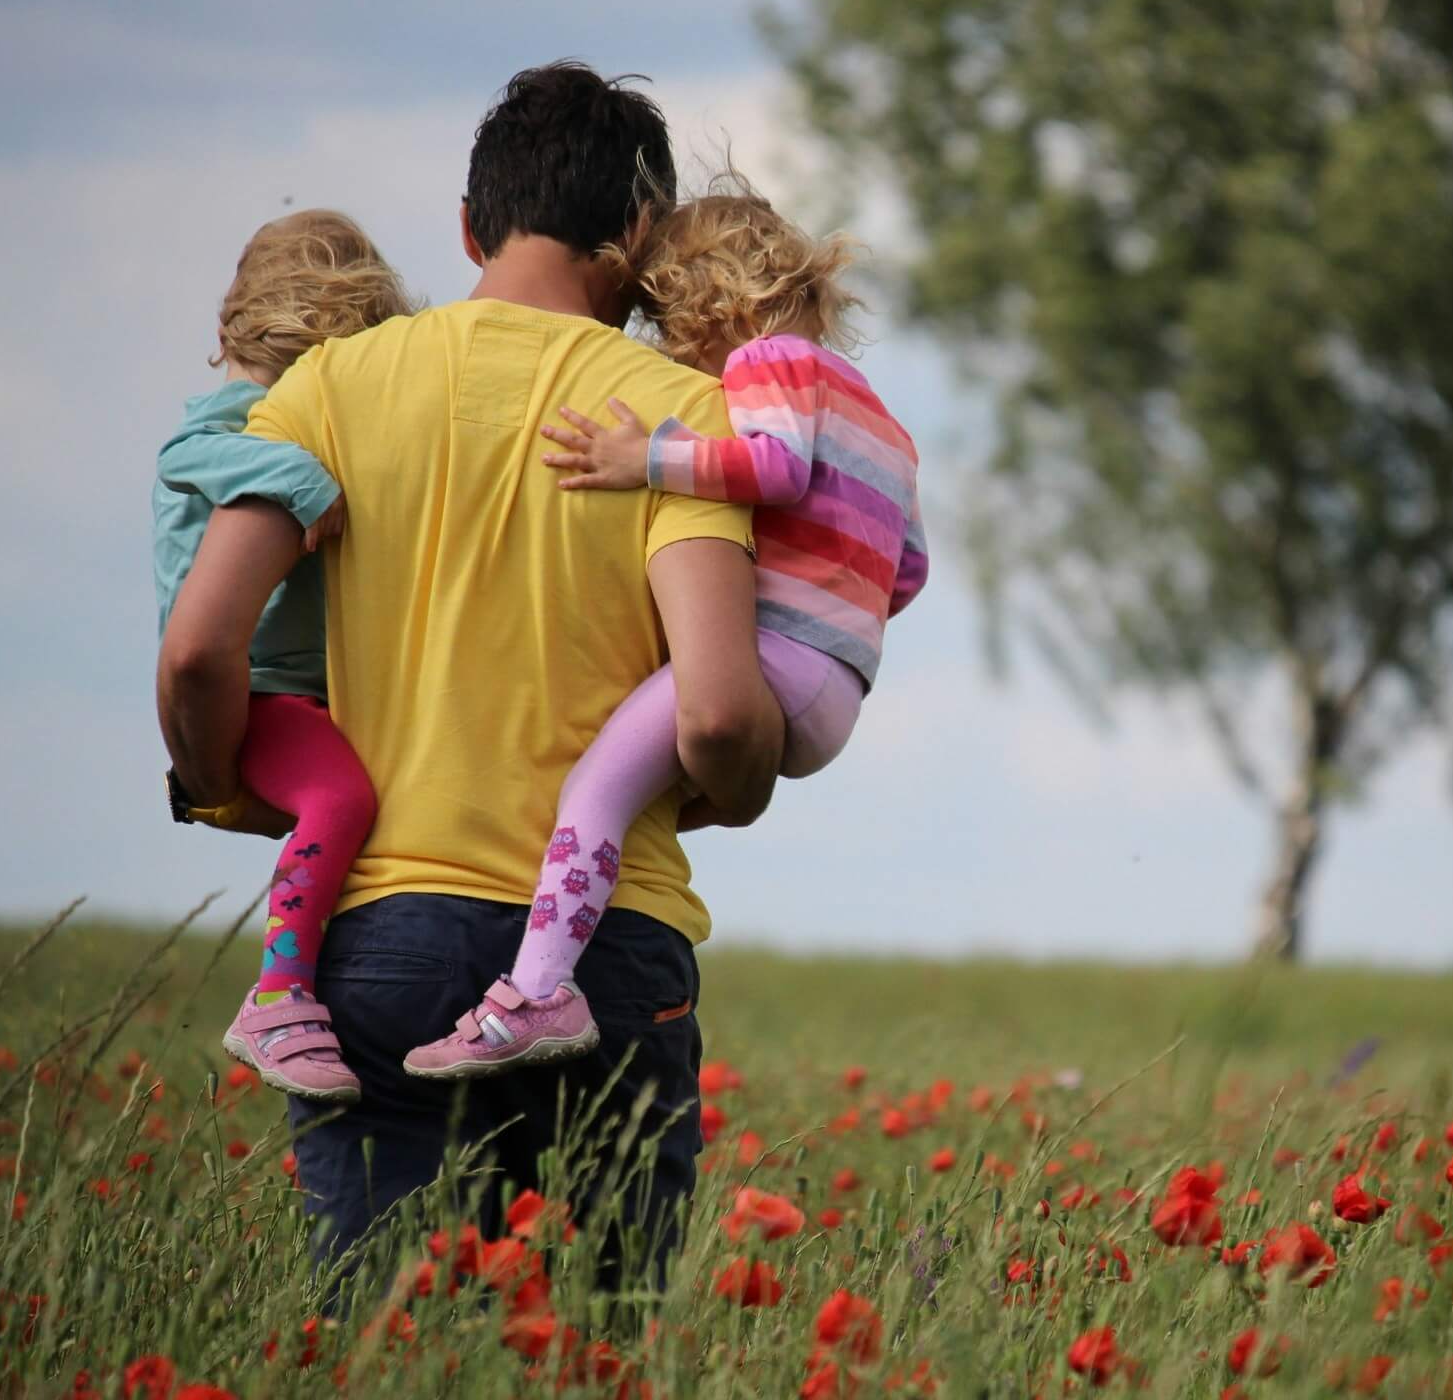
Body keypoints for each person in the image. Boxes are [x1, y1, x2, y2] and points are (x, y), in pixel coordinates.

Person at [157, 61, 783, 1262]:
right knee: (601, 1343)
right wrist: (739, 788)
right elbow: (713, 714)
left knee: (390, 1344)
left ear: (467, 225)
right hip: (609, 947)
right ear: (640, 234)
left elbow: (197, 650)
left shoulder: (325, 390)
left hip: (381, 934)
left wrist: (226, 783)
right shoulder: (677, 417)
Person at [403, 184, 928, 1078]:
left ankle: (536, 993)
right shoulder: (883, 419)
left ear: (708, 304)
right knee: (640, 795)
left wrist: (642, 458)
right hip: (839, 686)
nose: (671, 349)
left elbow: (774, 467)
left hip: (775, 660)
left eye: (666, 322)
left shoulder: (769, 363)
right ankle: (564, 952)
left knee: (594, 791)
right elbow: (907, 570)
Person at [153, 210, 411, 1103]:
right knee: (342, 797)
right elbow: (188, 453)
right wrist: (304, 481)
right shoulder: (239, 418)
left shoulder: (277, 412)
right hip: (259, 692)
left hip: (301, 693)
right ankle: (279, 995)